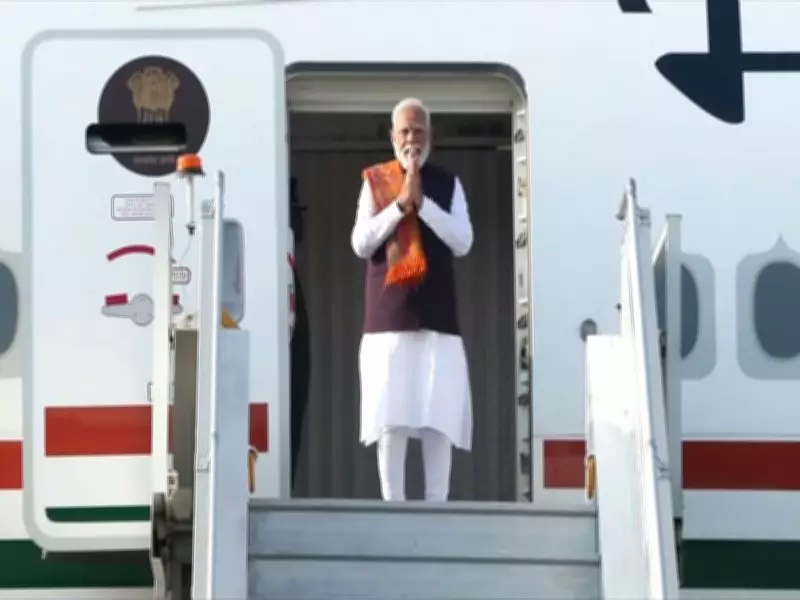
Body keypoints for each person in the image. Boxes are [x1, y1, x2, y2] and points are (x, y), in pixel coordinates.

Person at [350, 97, 474, 501]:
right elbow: (360, 243)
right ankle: (393, 511)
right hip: (388, 325)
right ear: (392, 137)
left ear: (430, 135)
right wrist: (400, 205)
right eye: (404, 131)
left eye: (418, 131)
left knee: (439, 421)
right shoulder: (375, 181)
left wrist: (424, 207)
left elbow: (463, 241)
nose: (411, 139)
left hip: (438, 324)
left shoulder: (449, 184)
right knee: (393, 422)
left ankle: (438, 510)